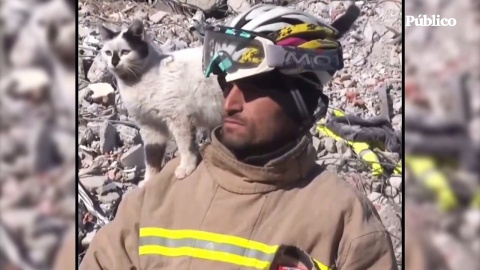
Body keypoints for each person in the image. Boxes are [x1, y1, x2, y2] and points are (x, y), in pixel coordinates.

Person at [80, 4, 396, 270]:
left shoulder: (346, 224)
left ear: (301, 99)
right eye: (228, 84)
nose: (230, 103)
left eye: (254, 87)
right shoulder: (155, 199)